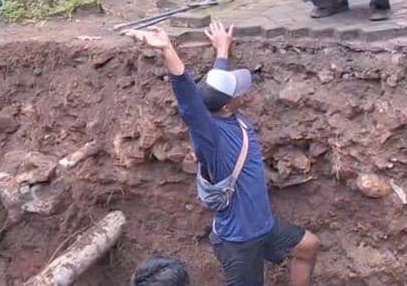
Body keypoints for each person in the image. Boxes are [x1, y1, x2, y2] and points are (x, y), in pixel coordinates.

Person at [124, 22, 322, 285]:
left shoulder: (222, 108)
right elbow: (189, 102)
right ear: (228, 105)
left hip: (265, 226)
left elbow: (213, 86)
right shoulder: (211, 139)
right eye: (238, 92)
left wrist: (222, 51)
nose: (243, 93)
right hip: (239, 241)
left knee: (308, 247)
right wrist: (168, 50)